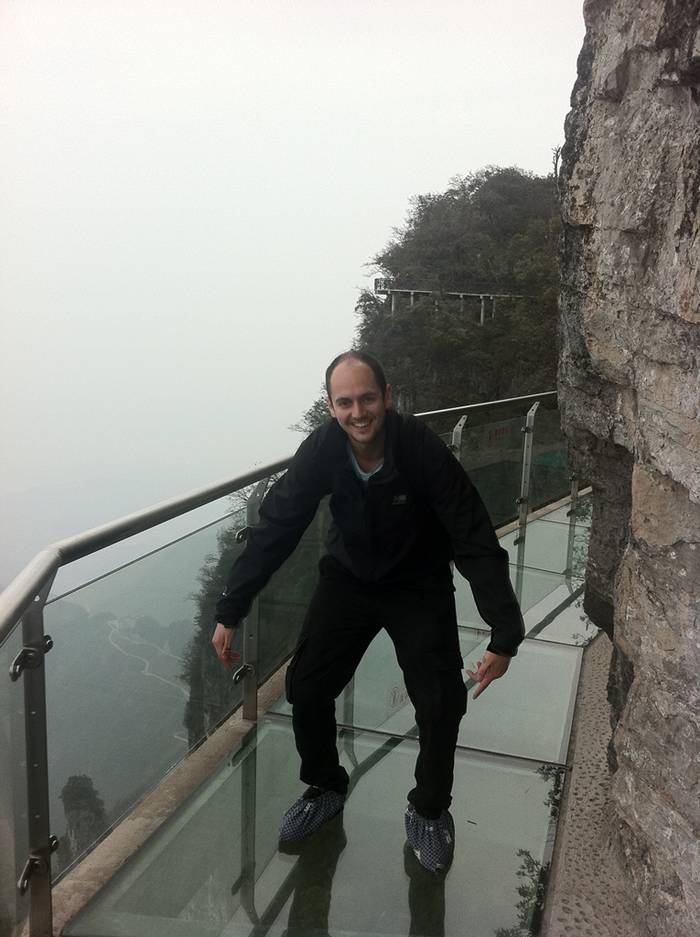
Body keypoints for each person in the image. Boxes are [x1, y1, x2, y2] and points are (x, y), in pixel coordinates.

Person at [212, 351, 524, 873]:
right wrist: (231, 606)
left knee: (441, 702)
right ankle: (325, 786)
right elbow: (277, 526)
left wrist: (504, 632)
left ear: (387, 396)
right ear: (331, 408)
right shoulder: (324, 450)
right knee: (308, 687)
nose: (358, 412)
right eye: (345, 402)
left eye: (367, 398)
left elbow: (470, 533)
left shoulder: (420, 449)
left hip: (418, 583)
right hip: (348, 579)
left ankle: (429, 810)